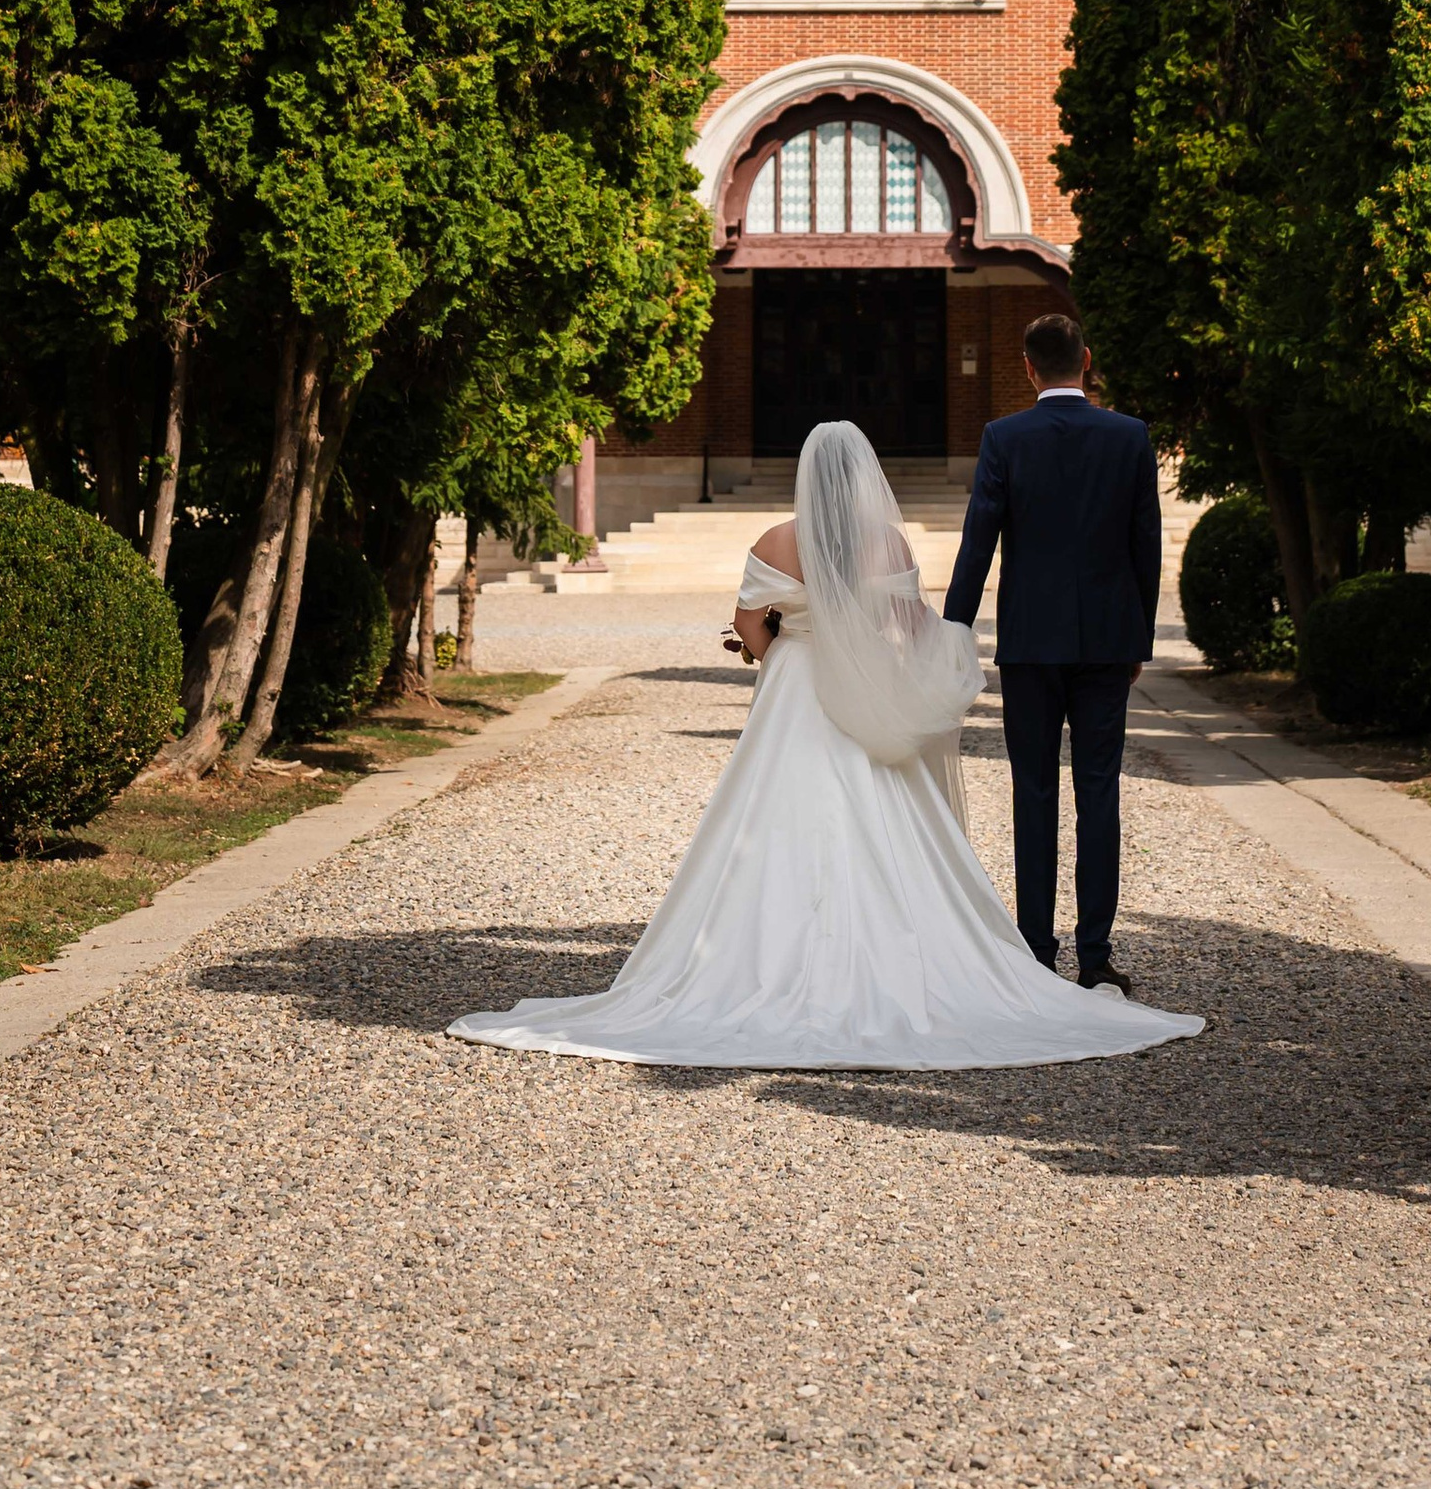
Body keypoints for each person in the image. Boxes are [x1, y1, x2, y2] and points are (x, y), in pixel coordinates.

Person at [449, 416, 1198, 1070]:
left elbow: (749, 626)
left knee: (769, 825)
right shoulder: (886, 540)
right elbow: (908, 629)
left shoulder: (776, 538)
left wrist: (778, 648)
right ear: (864, 478)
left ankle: (757, 960)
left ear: (808, 473)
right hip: (862, 690)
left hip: (793, 695)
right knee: (889, 822)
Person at [939, 309, 1160, 992]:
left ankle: (1036, 952)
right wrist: (1138, 639)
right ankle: (1095, 957)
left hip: (1030, 642)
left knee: (1033, 792)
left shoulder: (1005, 437)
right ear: (1086, 361)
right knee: (1098, 792)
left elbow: (979, 540)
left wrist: (954, 629)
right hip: (1105, 642)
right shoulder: (1129, 436)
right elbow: (1145, 547)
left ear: (1028, 367)